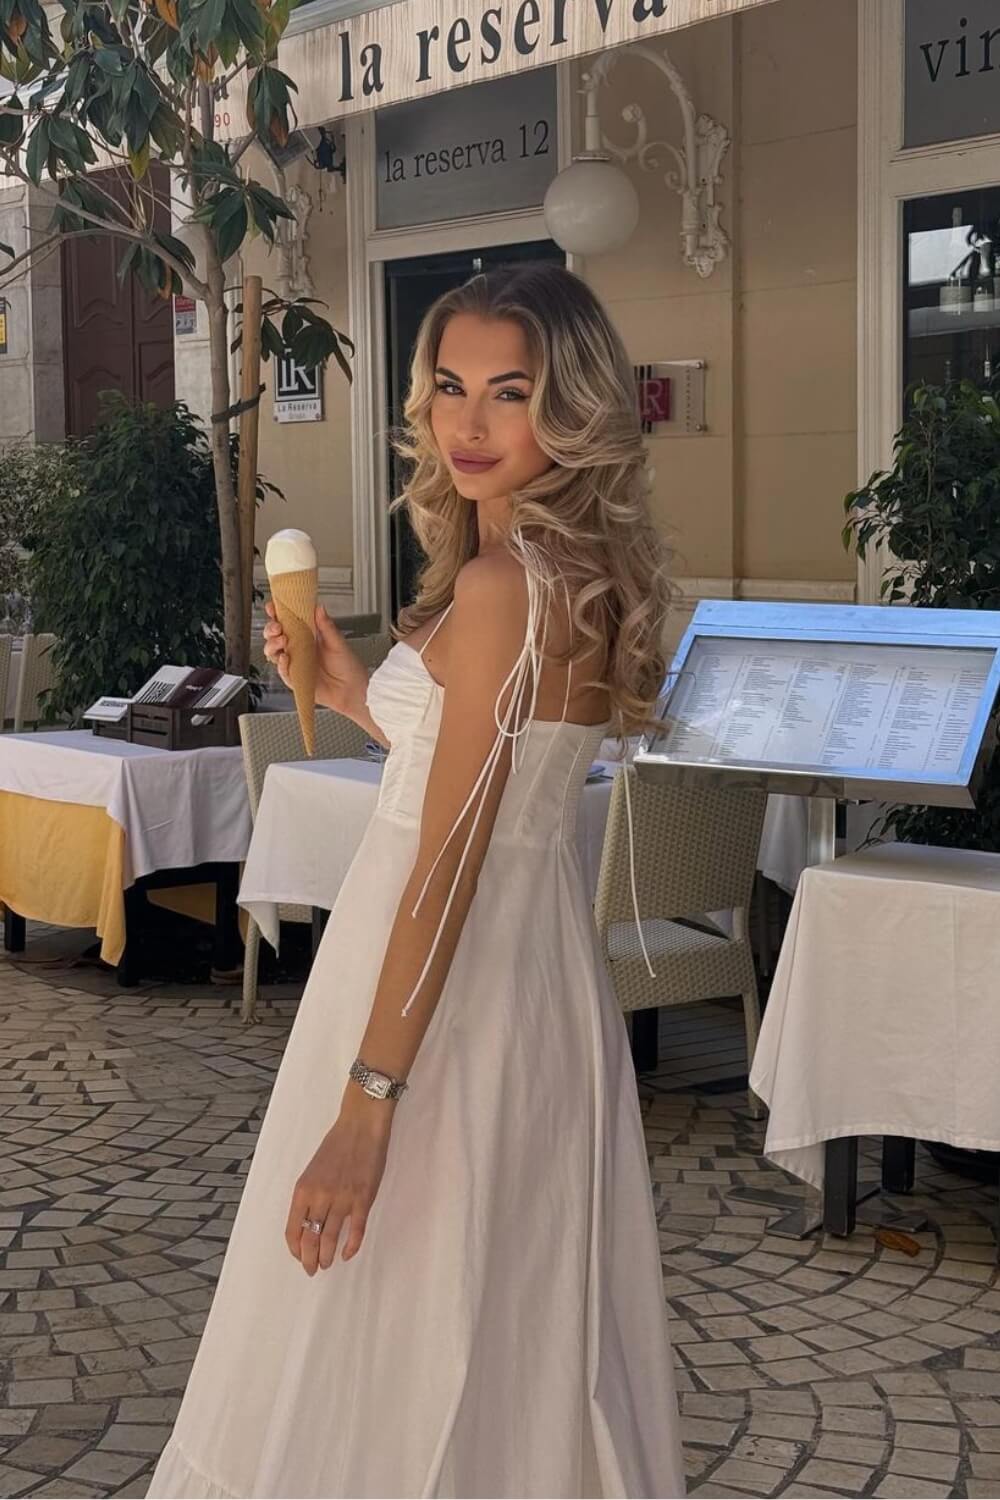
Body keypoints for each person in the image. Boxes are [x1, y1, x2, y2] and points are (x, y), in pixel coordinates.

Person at [147, 263, 685, 1499]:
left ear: (572, 407)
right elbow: (485, 780)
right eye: (450, 386)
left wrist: (367, 1103)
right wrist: (352, 689)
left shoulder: (501, 588)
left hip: (438, 992)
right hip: (518, 981)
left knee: (392, 1313)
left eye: (512, 391)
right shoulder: (562, 571)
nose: (468, 423)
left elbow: (449, 862)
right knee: (496, 1318)